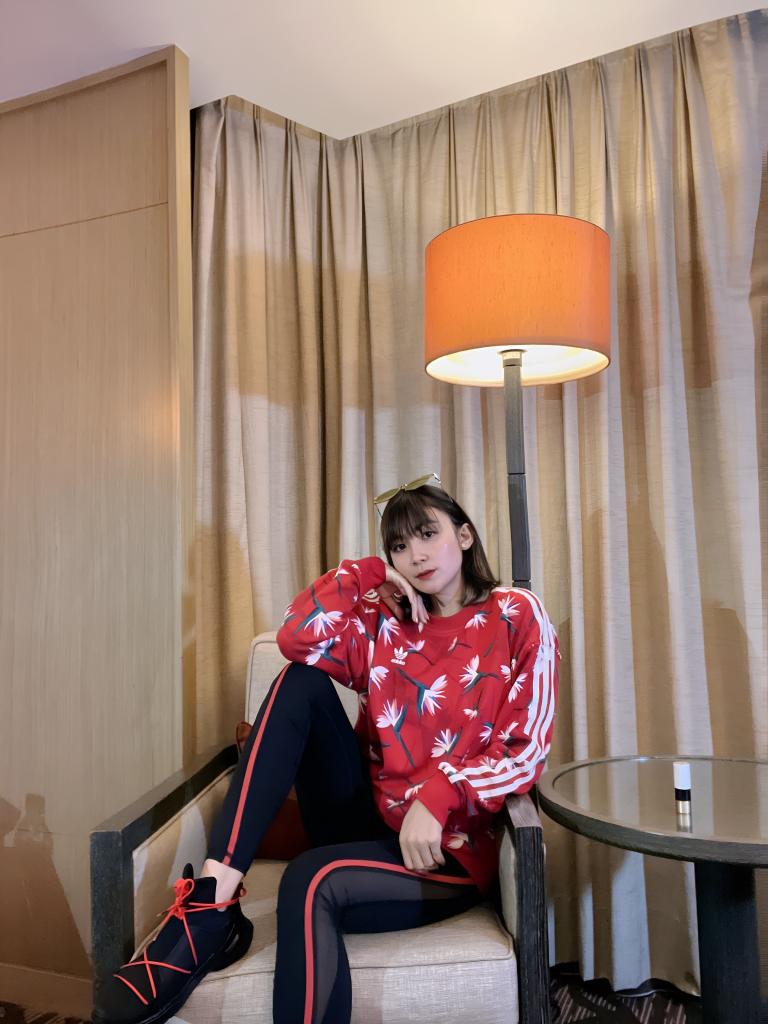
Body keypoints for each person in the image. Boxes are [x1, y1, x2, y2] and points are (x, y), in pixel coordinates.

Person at [95, 476, 559, 1024]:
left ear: (464, 535)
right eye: (399, 546)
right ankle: (212, 903)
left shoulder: (515, 614)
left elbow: (525, 750)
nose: (415, 554)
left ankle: (213, 919)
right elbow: (295, 638)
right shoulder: (385, 624)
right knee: (300, 682)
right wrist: (368, 574)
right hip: (363, 820)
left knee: (309, 879)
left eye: (428, 534)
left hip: (444, 851)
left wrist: (439, 798)